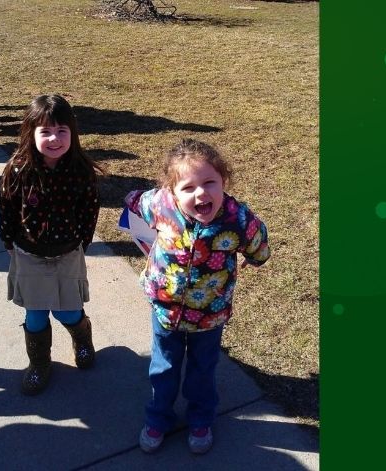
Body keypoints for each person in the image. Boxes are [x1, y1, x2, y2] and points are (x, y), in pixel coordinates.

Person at [124, 138, 270, 454]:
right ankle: (158, 417)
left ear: (224, 182)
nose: (201, 193)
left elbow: (258, 239)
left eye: (209, 183)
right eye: (188, 188)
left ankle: (201, 418)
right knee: (163, 367)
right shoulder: (160, 205)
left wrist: (257, 256)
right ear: (172, 191)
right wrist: (130, 199)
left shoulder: (237, 219)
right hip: (166, 309)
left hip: (209, 312)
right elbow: (137, 201)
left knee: (202, 370)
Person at [0, 94, 103, 395]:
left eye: (62, 131)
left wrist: (83, 239)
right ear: (30, 133)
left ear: (73, 133)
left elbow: (89, 209)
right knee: (35, 314)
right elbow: (5, 208)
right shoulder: (19, 169)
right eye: (45, 131)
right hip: (29, 254)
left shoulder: (81, 171)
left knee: (67, 311)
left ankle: (82, 338)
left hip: (67, 253)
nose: (54, 139)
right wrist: (8, 240)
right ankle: (40, 364)